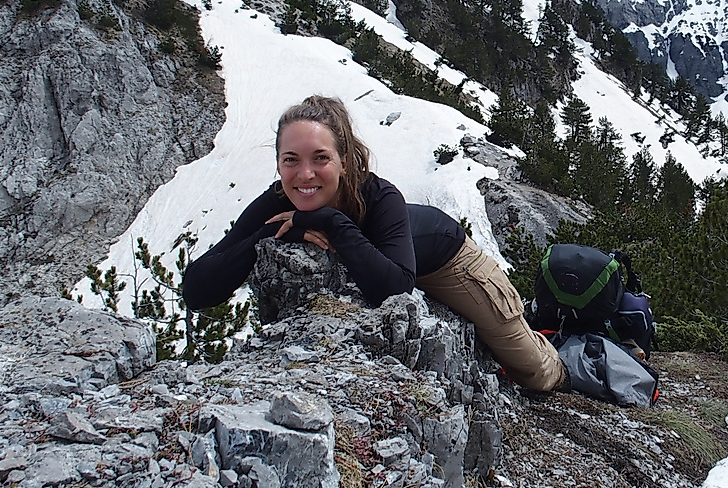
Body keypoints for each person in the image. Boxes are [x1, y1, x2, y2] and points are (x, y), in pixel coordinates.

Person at [183, 95, 565, 392]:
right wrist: (267, 234)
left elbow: (397, 287)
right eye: (291, 160)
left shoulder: (379, 196)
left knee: (534, 372)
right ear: (278, 163)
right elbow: (197, 289)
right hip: (399, 259)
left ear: (345, 160)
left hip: (450, 264)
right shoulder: (277, 204)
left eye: (321, 158)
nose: (305, 174)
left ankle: (567, 353)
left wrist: (328, 220)